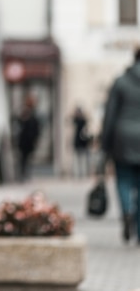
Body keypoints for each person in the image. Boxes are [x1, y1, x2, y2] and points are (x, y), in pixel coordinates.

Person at [101, 48, 140, 244]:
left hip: (123, 139)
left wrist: (105, 144)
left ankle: (126, 213)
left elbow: (109, 115)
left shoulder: (121, 81)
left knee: (124, 180)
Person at [16, 95, 40, 182]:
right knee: (23, 159)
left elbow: (36, 128)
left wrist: (35, 138)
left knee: (27, 159)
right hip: (24, 141)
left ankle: (26, 174)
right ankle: (22, 174)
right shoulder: (24, 113)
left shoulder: (33, 114)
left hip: (29, 141)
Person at [72, 106, 92, 178]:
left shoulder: (82, 121)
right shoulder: (77, 121)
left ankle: (83, 174)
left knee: (83, 159)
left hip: (83, 143)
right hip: (79, 143)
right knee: (78, 159)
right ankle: (78, 174)